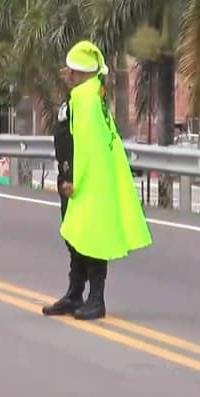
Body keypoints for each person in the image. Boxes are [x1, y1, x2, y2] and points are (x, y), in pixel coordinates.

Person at [42, 40, 152, 320]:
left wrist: (67, 174)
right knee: (78, 235)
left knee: (90, 237)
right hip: (91, 176)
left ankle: (95, 297)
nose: (69, 75)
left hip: (84, 179)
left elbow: (71, 139)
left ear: (81, 73)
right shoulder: (93, 95)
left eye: (73, 70)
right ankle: (75, 293)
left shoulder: (84, 98)